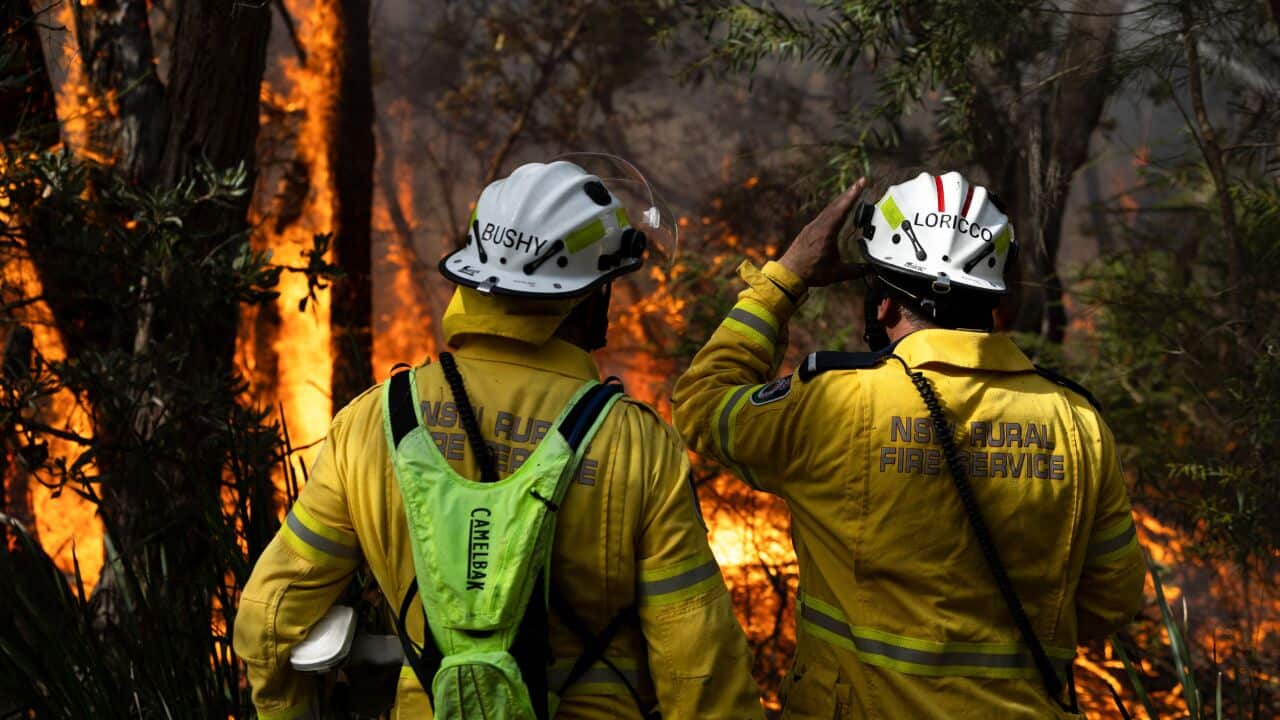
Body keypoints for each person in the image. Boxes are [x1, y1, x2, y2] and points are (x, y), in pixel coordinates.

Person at [234, 158, 763, 720]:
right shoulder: (635, 444)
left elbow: (267, 620)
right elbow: (700, 668)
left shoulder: (372, 424)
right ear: (588, 295)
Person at [672, 171, 1146, 718]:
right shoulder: (1078, 423)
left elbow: (704, 403)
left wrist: (785, 281)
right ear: (993, 297)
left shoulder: (831, 405)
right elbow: (1112, 596)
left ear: (884, 306)